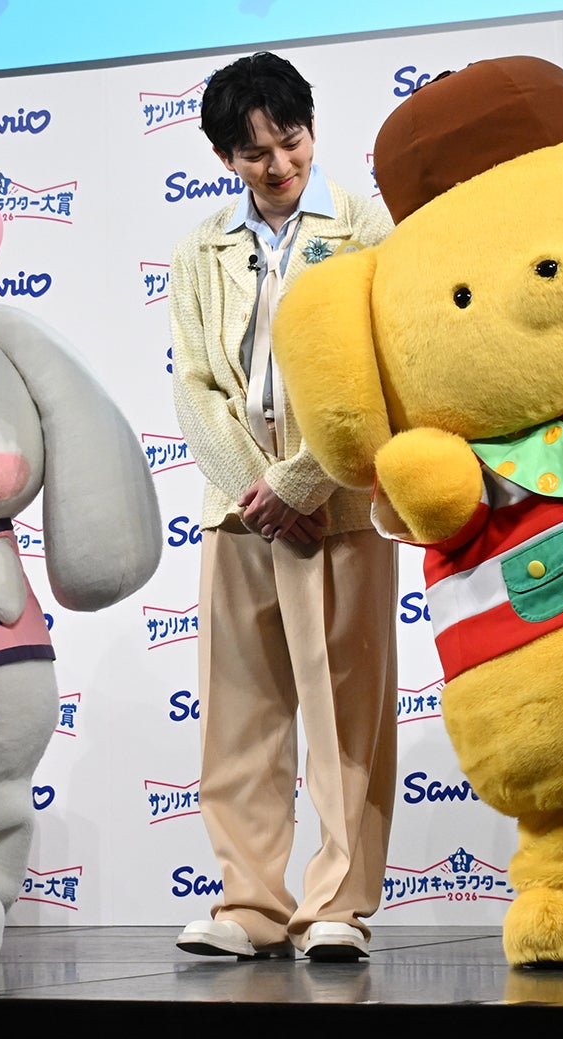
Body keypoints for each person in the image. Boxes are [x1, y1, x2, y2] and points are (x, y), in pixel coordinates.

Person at [168, 51, 398, 962]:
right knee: (241, 715)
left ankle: (337, 903)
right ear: (224, 157)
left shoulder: (365, 227)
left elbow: (378, 370)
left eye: (290, 141)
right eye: (253, 152)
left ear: (311, 129)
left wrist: (302, 482)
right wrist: (255, 491)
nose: (278, 164)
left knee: (347, 712)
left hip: (337, 509)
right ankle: (250, 904)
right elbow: (194, 386)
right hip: (238, 516)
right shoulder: (200, 247)